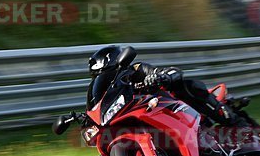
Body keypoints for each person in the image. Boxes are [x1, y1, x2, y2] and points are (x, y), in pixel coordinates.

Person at [88, 45, 248, 128]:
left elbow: (168, 72)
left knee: (186, 86)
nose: (105, 76)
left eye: (106, 72)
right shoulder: (112, 92)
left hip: (174, 107)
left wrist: (159, 77)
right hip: (150, 119)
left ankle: (234, 122)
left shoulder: (135, 70)